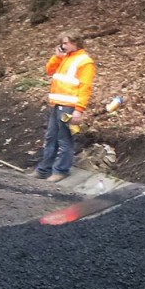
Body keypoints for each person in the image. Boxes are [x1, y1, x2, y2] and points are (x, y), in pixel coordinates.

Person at [35, 31, 96, 182]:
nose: (63, 46)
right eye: (62, 43)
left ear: (76, 43)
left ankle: (61, 170)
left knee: (64, 139)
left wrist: (79, 110)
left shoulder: (84, 61)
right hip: (57, 104)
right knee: (51, 137)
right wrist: (57, 56)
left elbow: (85, 87)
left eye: (66, 43)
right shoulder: (65, 58)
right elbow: (49, 70)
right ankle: (44, 169)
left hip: (69, 106)